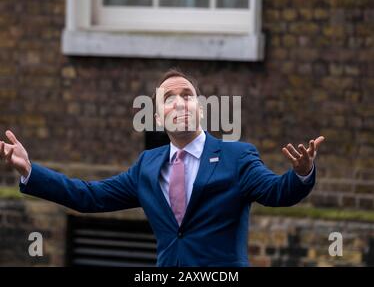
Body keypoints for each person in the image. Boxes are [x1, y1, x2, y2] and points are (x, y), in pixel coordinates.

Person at [0, 69, 324, 267]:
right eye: (170, 98)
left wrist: (301, 173)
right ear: (157, 116)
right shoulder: (148, 166)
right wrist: (31, 171)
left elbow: (277, 192)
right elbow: (89, 197)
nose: (180, 102)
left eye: (188, 96)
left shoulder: (236, 157)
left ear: (200, 108)